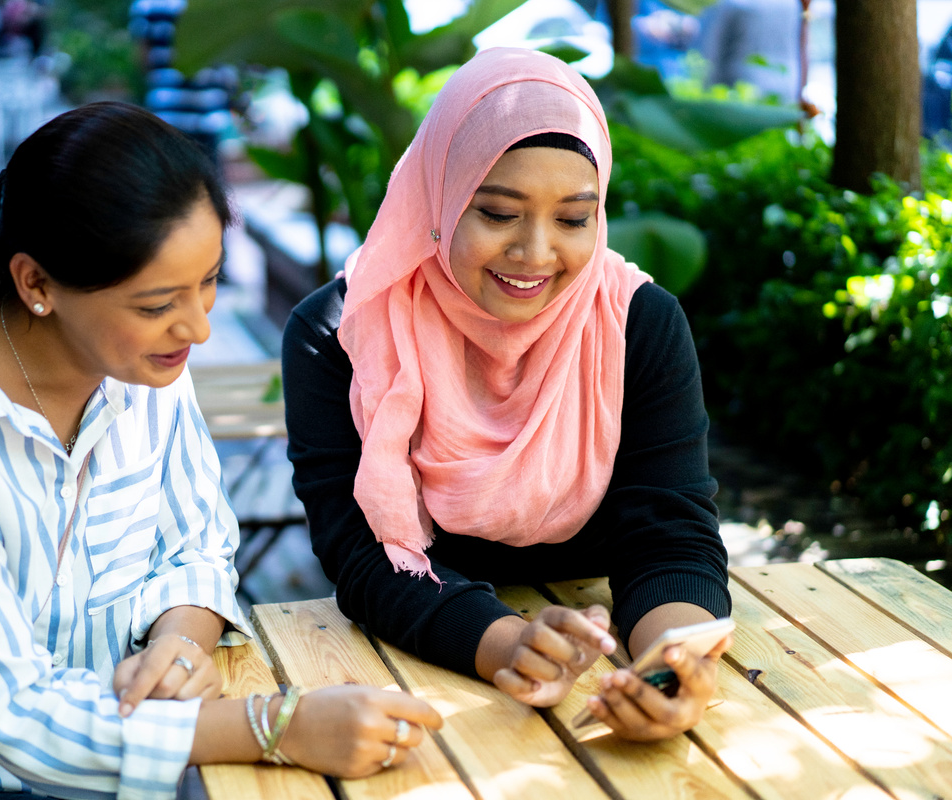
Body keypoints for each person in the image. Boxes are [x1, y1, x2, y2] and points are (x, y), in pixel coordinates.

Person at [0, 102, 441, 799]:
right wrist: (277, 724)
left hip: (74, 779)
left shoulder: (142, 370)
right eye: (157, 304)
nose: (198, 328)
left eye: (209, 282)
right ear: (36, 284)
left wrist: (179, 644)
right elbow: (14, 708)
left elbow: (196, 546)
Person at [283, 48, 732, 741]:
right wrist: (506, 645)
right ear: (441, 197)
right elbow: (365, 555)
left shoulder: (636, 322)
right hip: (428, 662)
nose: (535, 252)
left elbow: (670, 538)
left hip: (607, 645)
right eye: (497, 212)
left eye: (574, 218)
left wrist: (669, 667)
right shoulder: (343, 331)